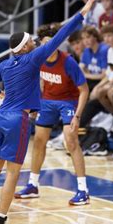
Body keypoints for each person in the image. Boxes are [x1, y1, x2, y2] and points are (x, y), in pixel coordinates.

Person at [0, 0, 98, 224]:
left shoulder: (5, 64)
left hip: (0, 117)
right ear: (24, 48)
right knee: (12, 173)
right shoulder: (32, 58)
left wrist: (0, 94)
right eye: (32, 42)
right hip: (17, 120)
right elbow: (61, 36)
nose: (35, 43)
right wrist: (84, 12)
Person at [14, 25, 90, 205]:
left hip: (68, 103)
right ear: (41, 44)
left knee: (71, 141)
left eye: (52, 43)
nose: (49, 47)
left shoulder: (68, 62)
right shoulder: (38, 59)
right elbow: (37, 82)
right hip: (47, 102)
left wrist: (77, 116)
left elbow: (85, 90)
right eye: (46, 44)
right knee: (39, 141)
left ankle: (83, 189)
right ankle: (33, 185)